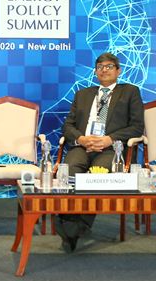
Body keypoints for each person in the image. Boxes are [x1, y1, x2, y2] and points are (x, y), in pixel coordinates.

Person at [58, 52, 144, 252]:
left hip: (111, 149)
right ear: (95, 72)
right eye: (100, 67)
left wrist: (109, 139)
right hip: (83, 146)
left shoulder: (130, 92)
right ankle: (70, 221)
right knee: (69, 172)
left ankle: (74, 228)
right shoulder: (83, 94)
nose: (104, 70)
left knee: (96, 176)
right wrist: (81, 139)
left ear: (118, 71)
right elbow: (68, 126)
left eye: (109, 66)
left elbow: (137, 127)